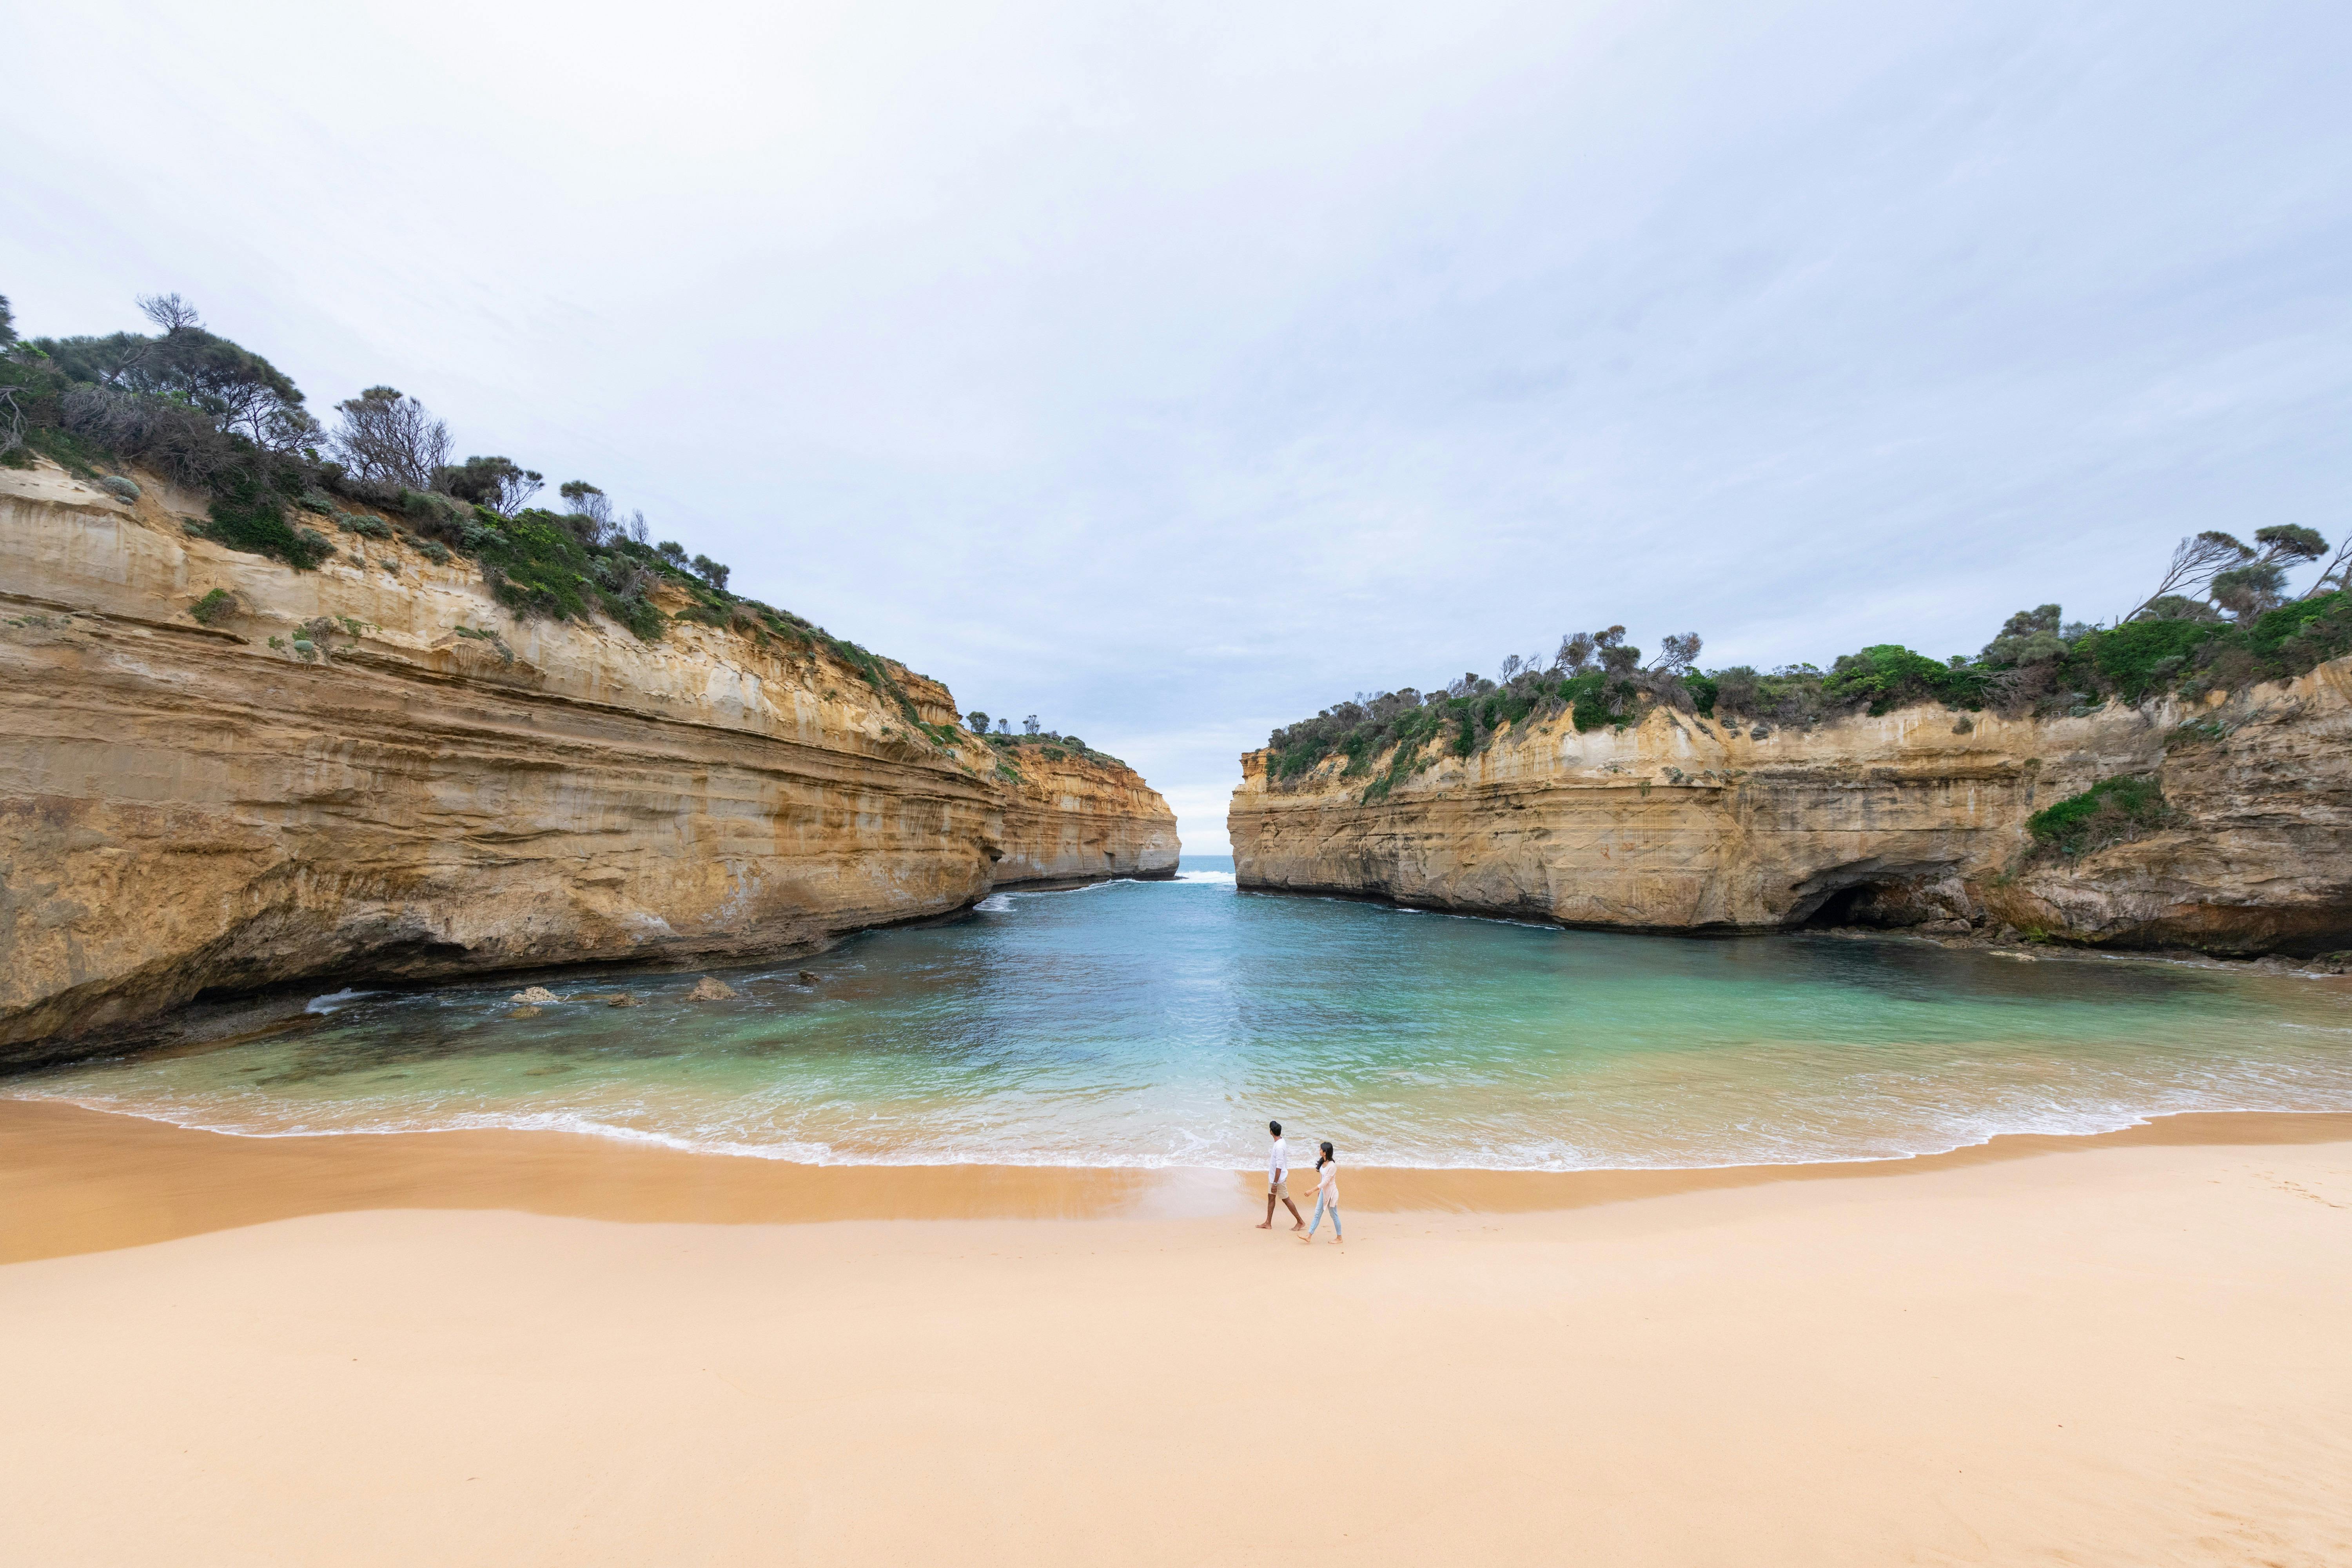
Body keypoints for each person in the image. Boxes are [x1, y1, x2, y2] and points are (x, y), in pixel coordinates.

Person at [1256, 1120, 1305, 1231]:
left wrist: (1275, 1183)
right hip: (1275, 1177)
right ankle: (1268, 1223)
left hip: (1278, 1179)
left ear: (1271, 1132)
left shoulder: (1279, 1147)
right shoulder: (1281, 1141)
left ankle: (1300, 1222)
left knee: (1286, 1199)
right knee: (1271, 1197)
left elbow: (1279, 1167)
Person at [1300, 1141, 1342, 1244]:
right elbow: (1322, 1178)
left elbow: (1326, 1182)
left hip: (1332, 1194)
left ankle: (1339, 1238)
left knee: (1334, 1216)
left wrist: (1312, 1191)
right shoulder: (1323, 1163)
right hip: (1324, 1192)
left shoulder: (1332, 1166)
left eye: (1320, 1149)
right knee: (1317, 1214)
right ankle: (1309, 1236)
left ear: (1325, 1153)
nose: (1319, 1151)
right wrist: (1320, 1191)